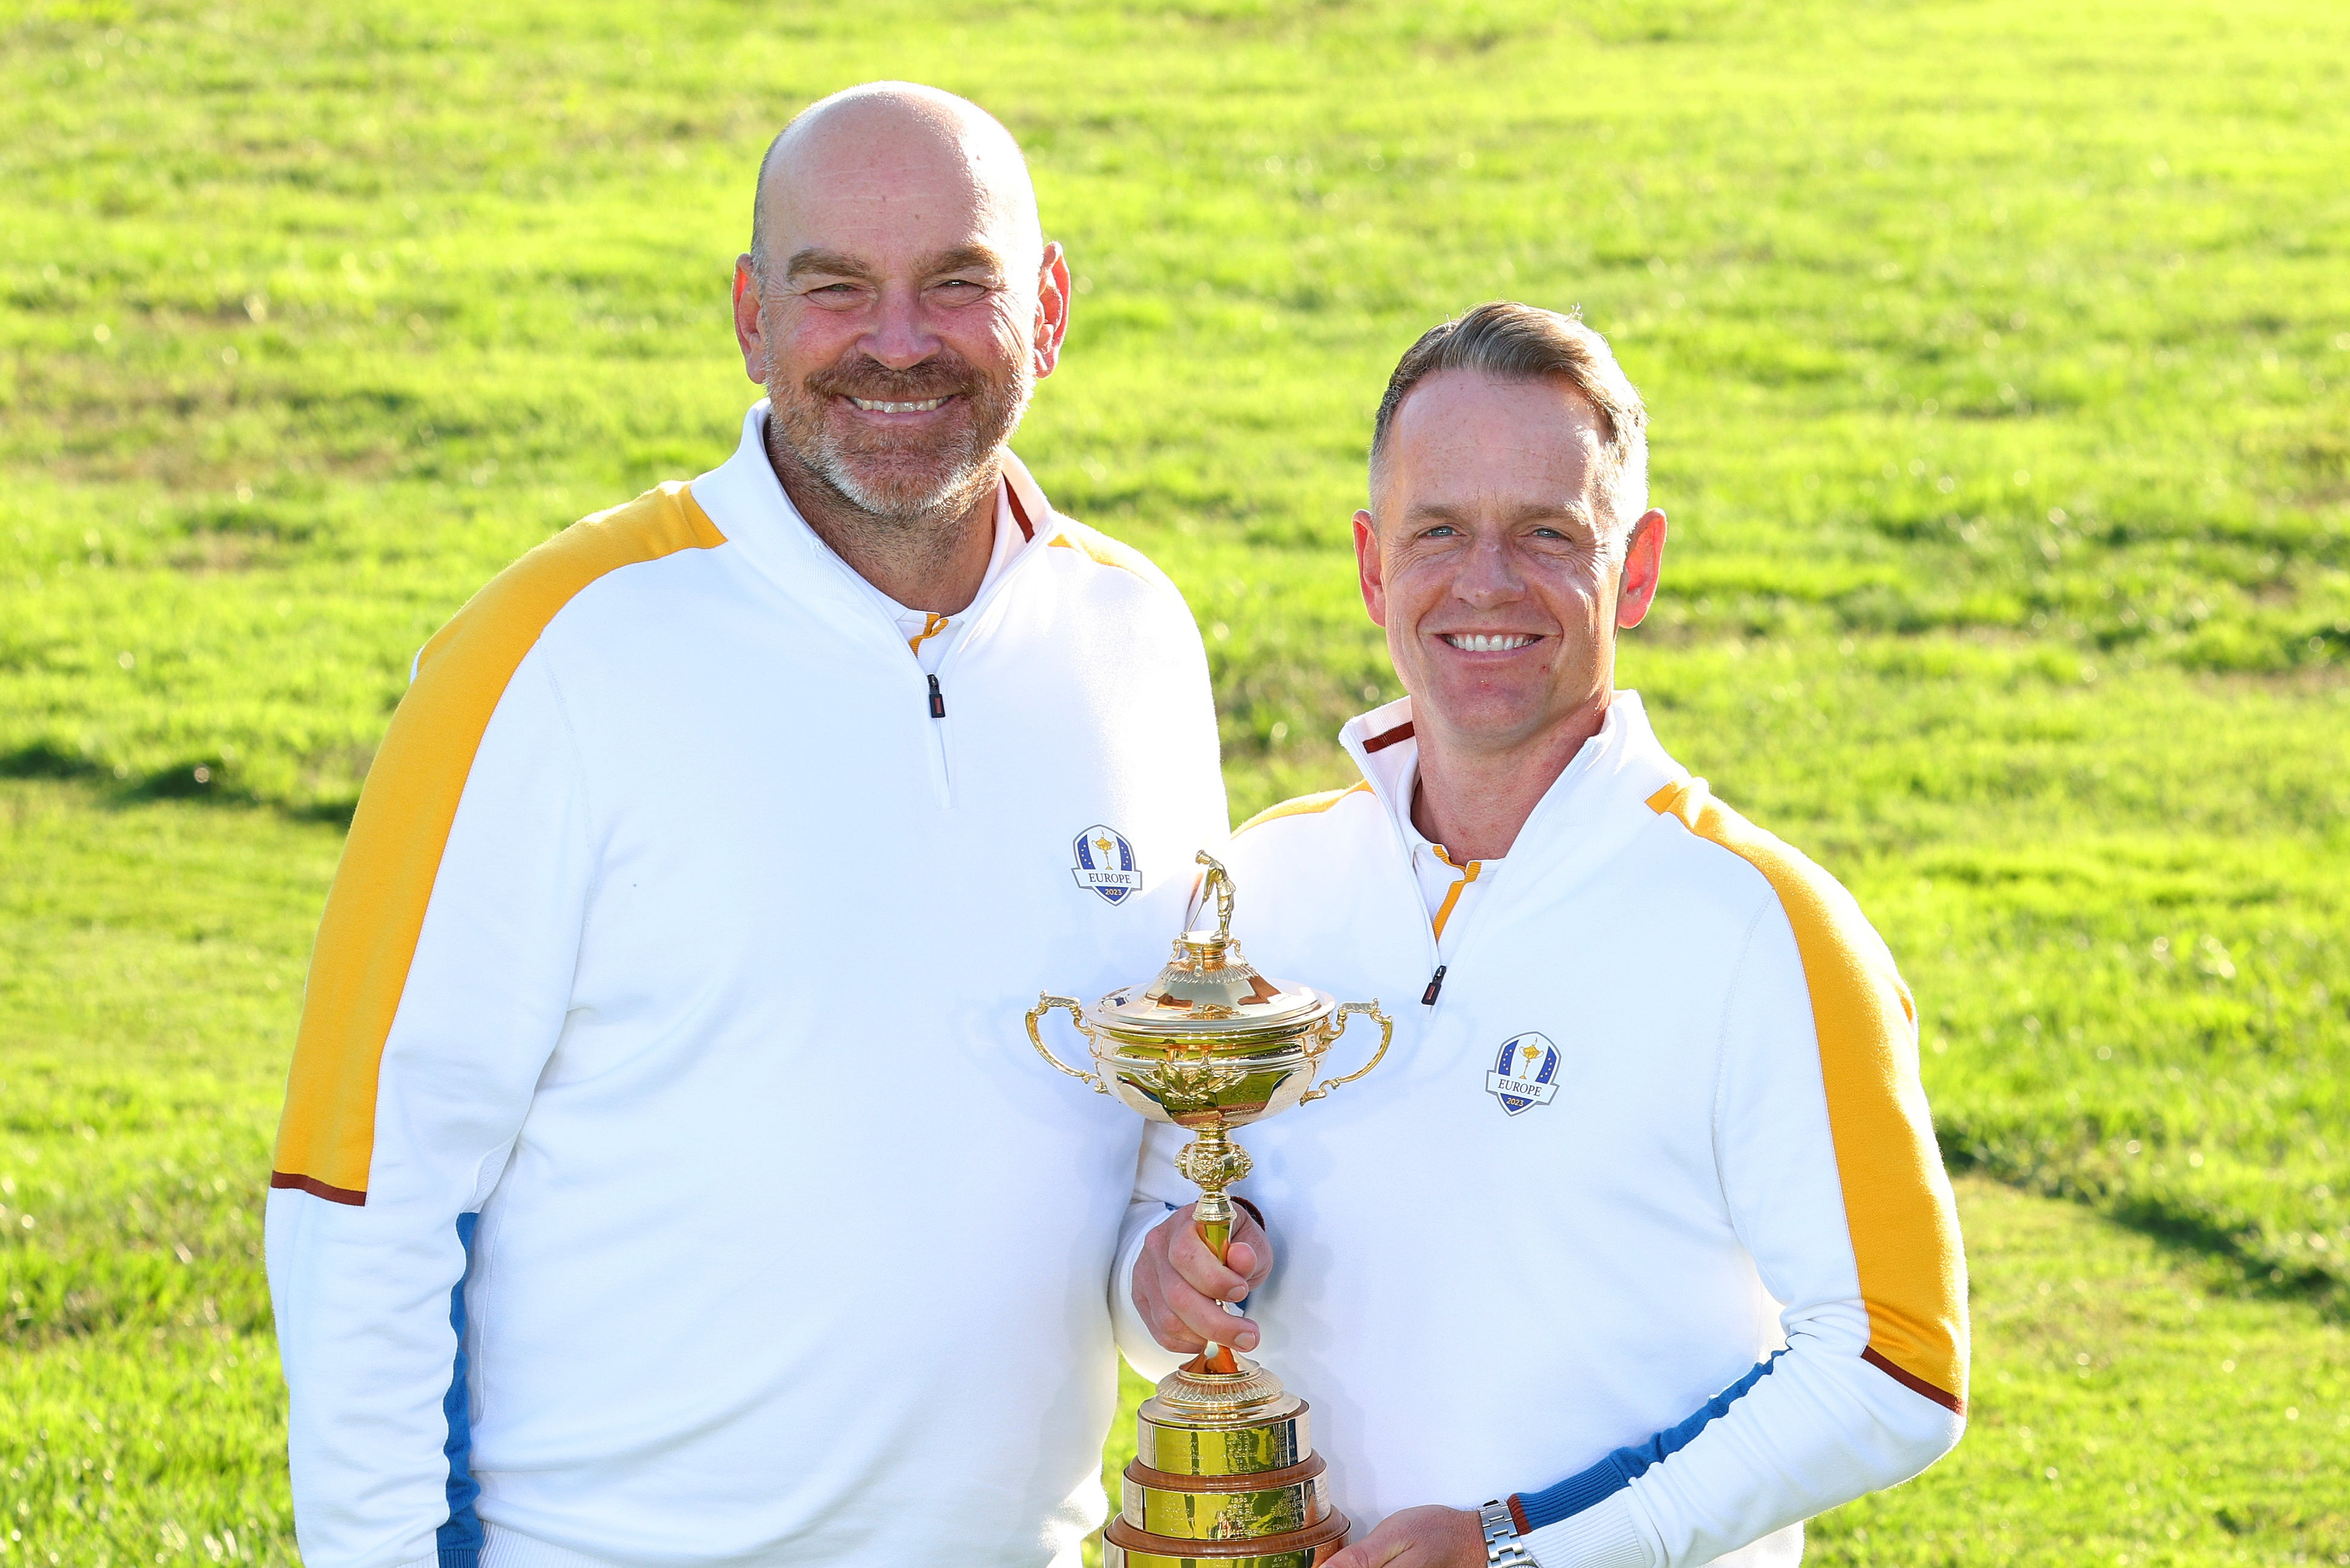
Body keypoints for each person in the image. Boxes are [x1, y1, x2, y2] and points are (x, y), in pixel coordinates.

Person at [266, 82, 1228, 1568]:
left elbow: (1151, 1160)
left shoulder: (1135, 639)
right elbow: (362, 1199)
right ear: (750, 315)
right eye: (834, 286)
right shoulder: (549, 652)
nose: (896, 342)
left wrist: (1170, 1277)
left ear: (1046, 307)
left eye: (956, 283)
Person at [1116, 303, 1966, 1568]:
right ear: (1370, 564)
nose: (1488, 583)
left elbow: (1899, 1363)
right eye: (1440, 529)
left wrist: (1525, 1545)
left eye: (1549, 533)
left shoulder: (1766, 927)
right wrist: (1159, 1282)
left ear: (1639, 565)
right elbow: (1143, 1252)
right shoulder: (1256, 885)